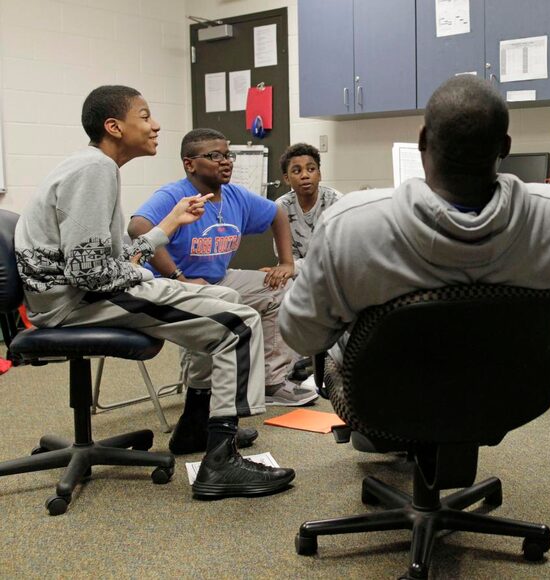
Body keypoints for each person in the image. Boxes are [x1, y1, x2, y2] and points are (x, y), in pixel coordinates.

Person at [14, 86, 295, 500]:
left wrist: (169, 227)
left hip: (76, 294)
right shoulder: (95, 171)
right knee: (239, 322)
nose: (156, 125)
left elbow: (101, 259)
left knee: (230, 302)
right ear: (114, 127)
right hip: (74, 303)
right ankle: (219, 464)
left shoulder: (94, 166)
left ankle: (203, 423)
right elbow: (88, 272)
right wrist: (155, 280)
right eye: (144, 116)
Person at [277, 76, 550, 389]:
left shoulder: (347, 225)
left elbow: (301, 335)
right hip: (511, 397)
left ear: (423, 140)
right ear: (505, 146)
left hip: (385, 397)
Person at [128, 129, 319, 423]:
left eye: (227, 155)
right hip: (169, 286)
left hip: (218, 280)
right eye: (214, 156)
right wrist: (179, 277)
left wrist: (286, 263)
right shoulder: (174, 194)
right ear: (189, 164)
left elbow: (276, 215)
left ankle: (272, 381)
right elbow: (138, 228)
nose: (225, 162)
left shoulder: (236, 196)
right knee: (213, 306)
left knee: (280, 290)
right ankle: (200, 401)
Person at [276, 143, 342, 277]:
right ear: (287, 178)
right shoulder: (281, 207)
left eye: (311, 169)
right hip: (298, 276)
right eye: (297, 171)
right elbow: (286, 258)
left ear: (319, 174)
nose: (305, 175)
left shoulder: (336, 202)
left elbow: (335, 255)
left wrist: (292, 268)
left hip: (332, 274)